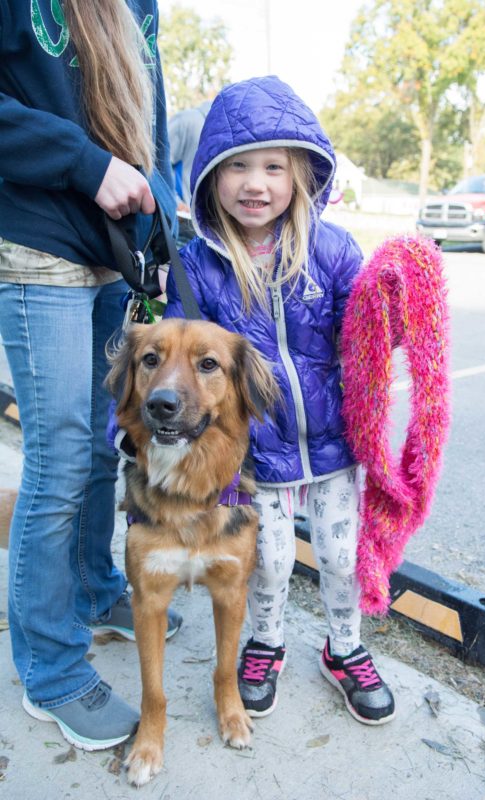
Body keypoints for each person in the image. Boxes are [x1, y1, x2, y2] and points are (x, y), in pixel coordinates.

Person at [163, 75, 396, 725]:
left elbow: (366, 333)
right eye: (236, 166)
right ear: (210, 176)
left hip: (332, 445)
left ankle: (344, 647)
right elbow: (173, 361)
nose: (255, 182)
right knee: (264, 564)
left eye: (272, 165)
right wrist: (141, 432)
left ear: (300, 175)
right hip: (254, 453)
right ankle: (265, 642)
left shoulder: (332, 249)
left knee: (341, 558)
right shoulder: (199, 266)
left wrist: (396, 317)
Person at [0, 0, 181, 751]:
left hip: (113, 249)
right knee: (63, 453)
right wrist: (84, 162)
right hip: (36, 236)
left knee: (107, 441)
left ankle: (93, 585)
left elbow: (155, 124)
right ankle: (49, 667)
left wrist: (163, 228)